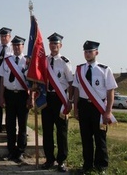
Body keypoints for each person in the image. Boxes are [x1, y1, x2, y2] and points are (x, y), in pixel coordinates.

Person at [73, 40, 117, 174]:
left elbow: (110, 91)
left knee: (100, 138)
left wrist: (108, 112)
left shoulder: (104, 69)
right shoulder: (79, 69)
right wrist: (76, 108)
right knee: (86, 138)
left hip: (99, 109)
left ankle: (101, 166)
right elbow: (76, 90)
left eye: (90, 51)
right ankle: (87, 165)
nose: (87, 54)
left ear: (96, 52)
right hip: (84, 107)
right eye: (85, 52)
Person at [41, 33, 73, 172]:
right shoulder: (44, 61)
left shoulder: (65, 62)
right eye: (51, 44)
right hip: (47, 98)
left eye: (56, 44)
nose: (54, 46)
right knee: (47, 131)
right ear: (49, 45)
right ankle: (49, 159)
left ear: (60, 45)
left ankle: (61, 160)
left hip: (60, 99)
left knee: (61, 131)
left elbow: (71, 83)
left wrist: (70, 101)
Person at [0, 35, 33, 163]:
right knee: (10, 124)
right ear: (12, 47)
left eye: (19, 45)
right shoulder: (7, 61)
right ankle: (11, 150)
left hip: (23, 95)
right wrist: (1, 97)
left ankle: (20, 152)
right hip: (9, 95)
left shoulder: (28, 61)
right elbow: (2, 80)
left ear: (23, 46)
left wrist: (31, 98)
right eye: (15, 45)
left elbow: (33, 82)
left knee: (22, 125)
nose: (17, 47)